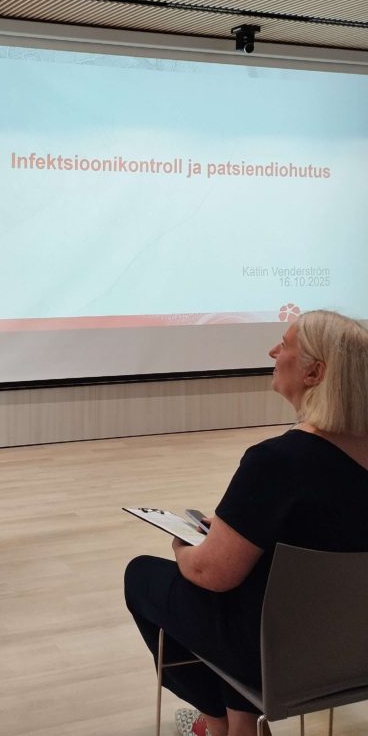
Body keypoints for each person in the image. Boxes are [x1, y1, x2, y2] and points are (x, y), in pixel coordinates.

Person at [124, 310, 368, 736]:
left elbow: (212, 573)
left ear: (314, 373)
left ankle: (215, 724)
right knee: (258, 583)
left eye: (284, 344)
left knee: (143, 576)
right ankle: (242, 724)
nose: (273, 351)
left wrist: (185, 546)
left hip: (279, 656)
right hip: (356, 646)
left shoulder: (277, 462)